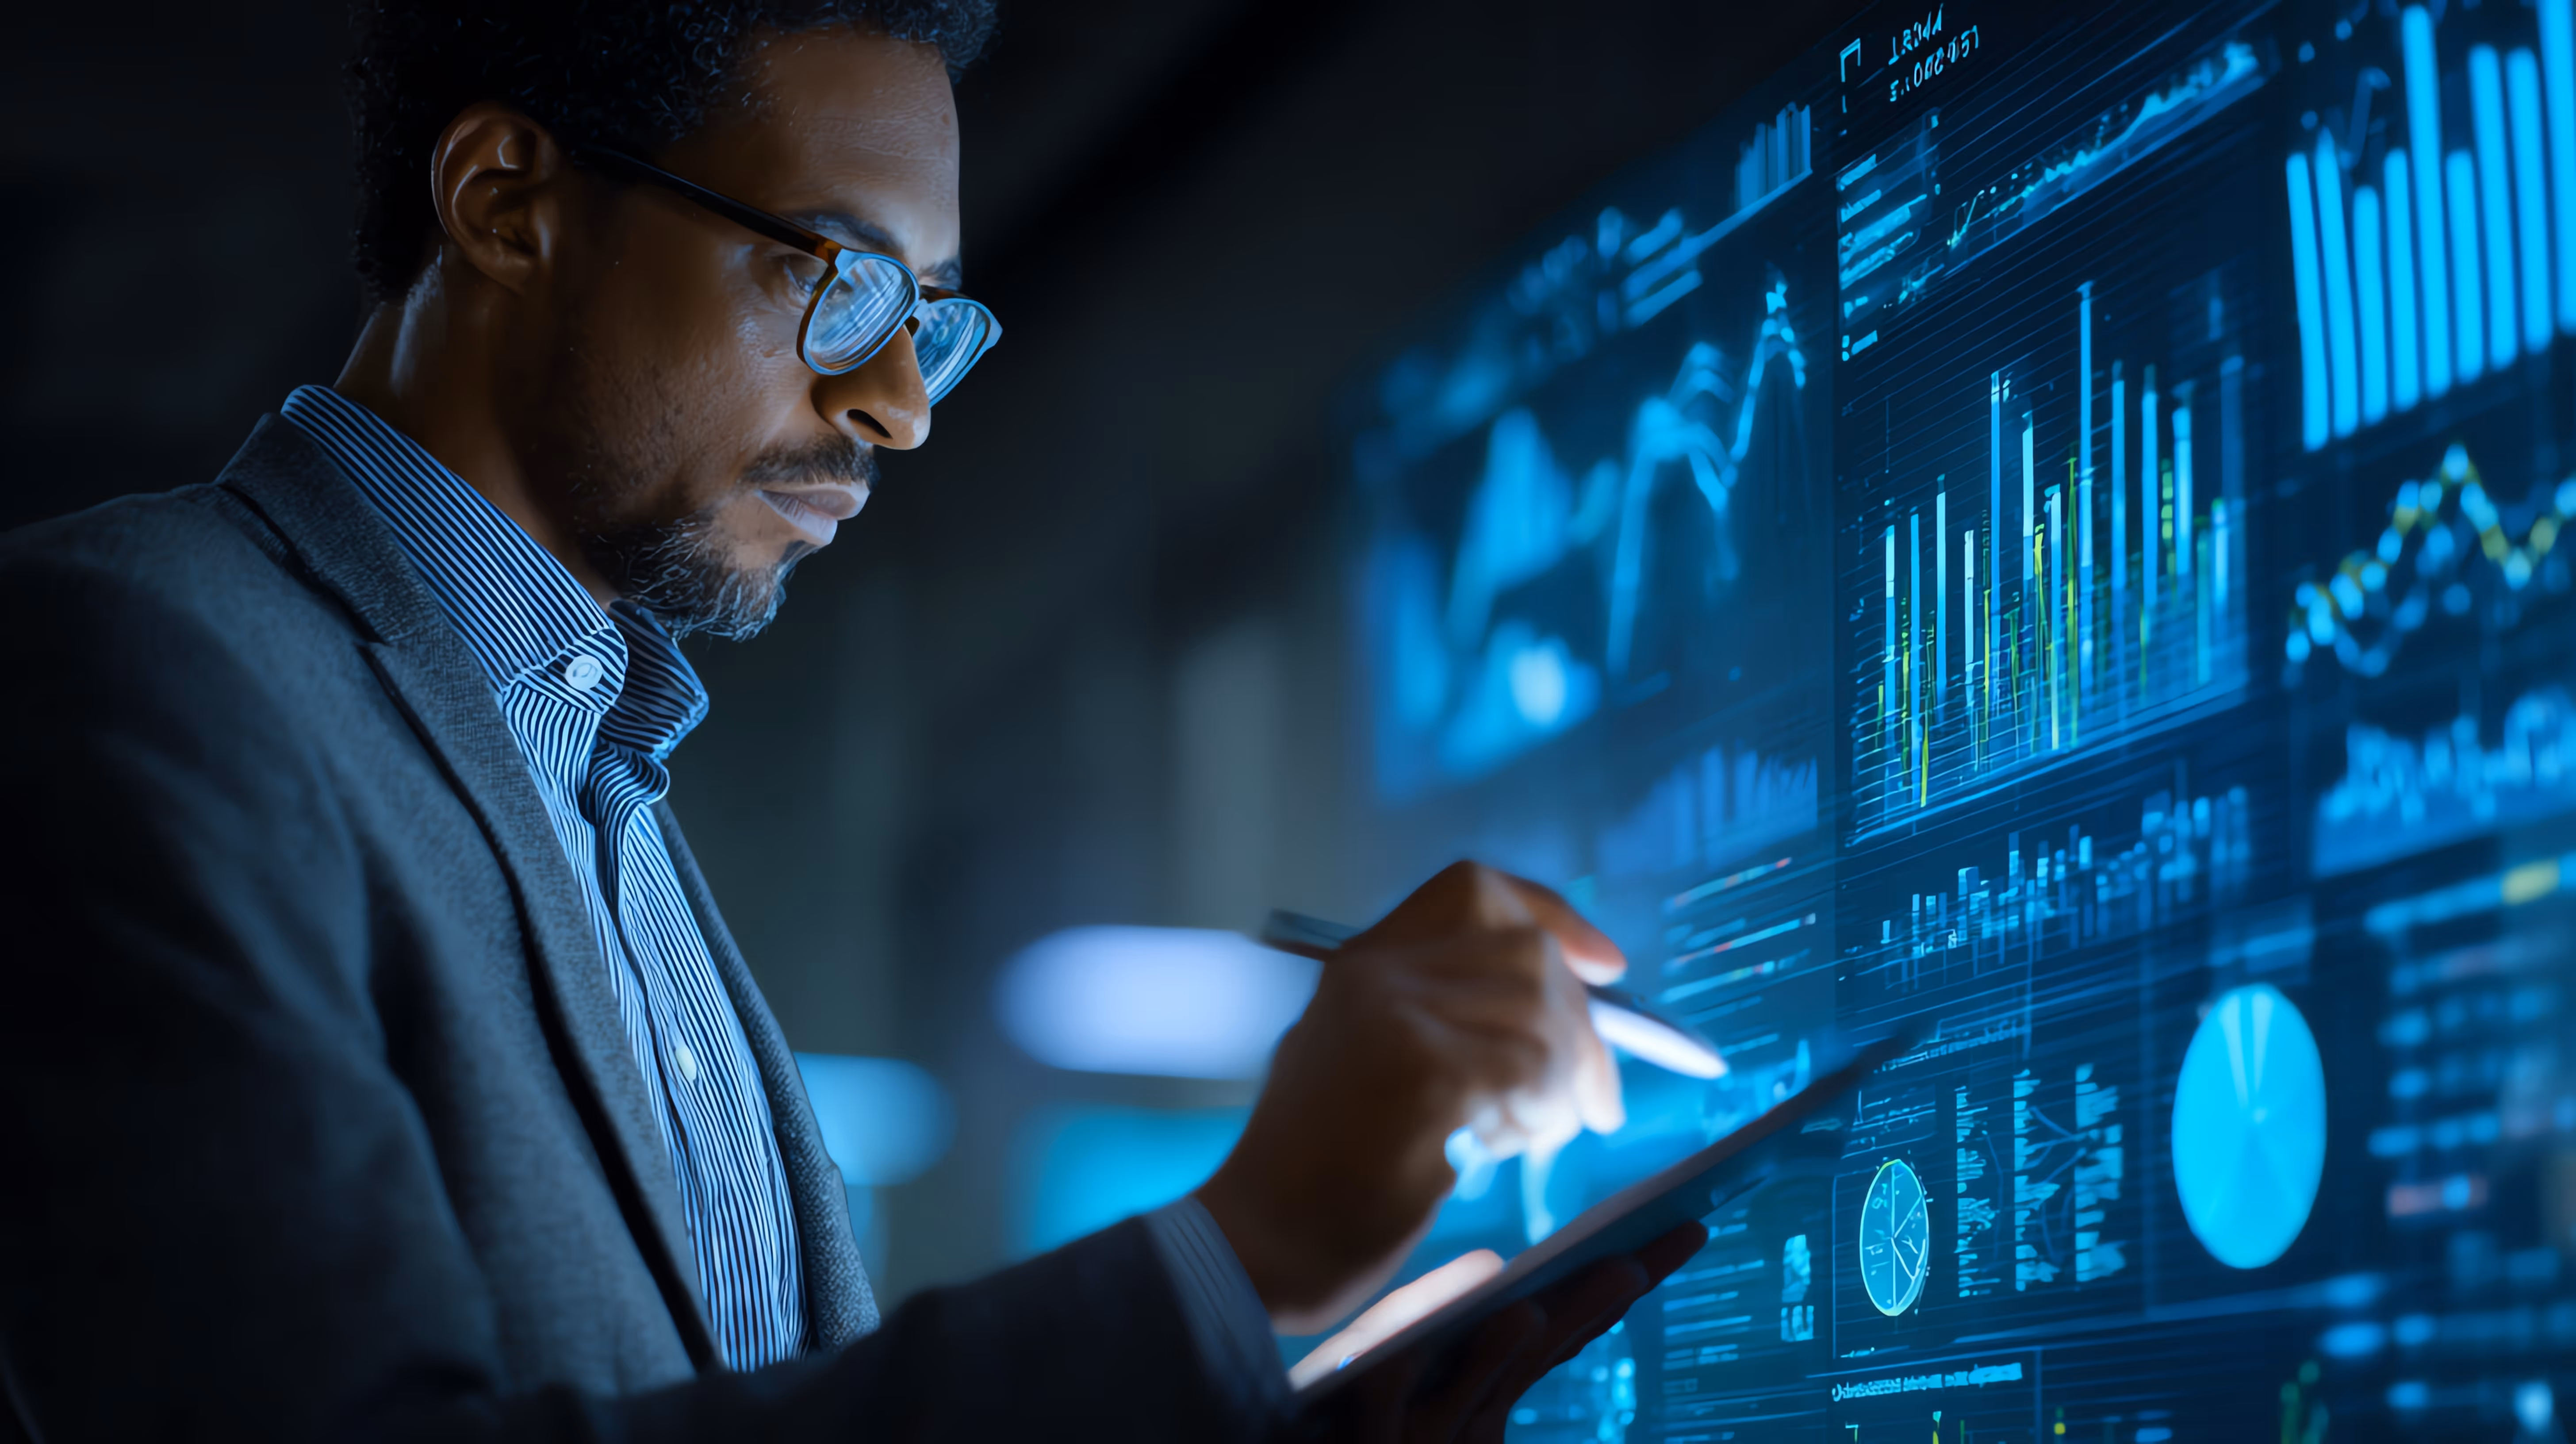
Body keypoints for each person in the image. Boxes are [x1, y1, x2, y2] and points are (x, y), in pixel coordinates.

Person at [0, 3, 1705, 1438]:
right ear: (507, 199)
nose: (898, 409)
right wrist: (1237, 1258)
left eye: (928, 324)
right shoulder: (133, 661)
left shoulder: (598, 772)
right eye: (842, 282)